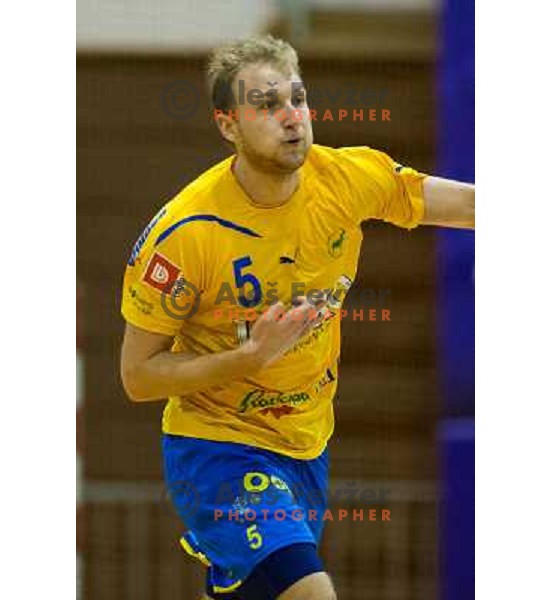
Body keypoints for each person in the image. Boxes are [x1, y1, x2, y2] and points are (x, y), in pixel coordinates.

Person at [120, 35, 474, 600]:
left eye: (298, 98)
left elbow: (463, 204)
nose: (292, 117)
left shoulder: (345, 179)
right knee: (310, 593)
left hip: (306, 443)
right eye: (266, 104)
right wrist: (250, 357)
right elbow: (138, 376)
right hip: (215, 447)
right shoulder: (186, 234)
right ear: (227, 124)